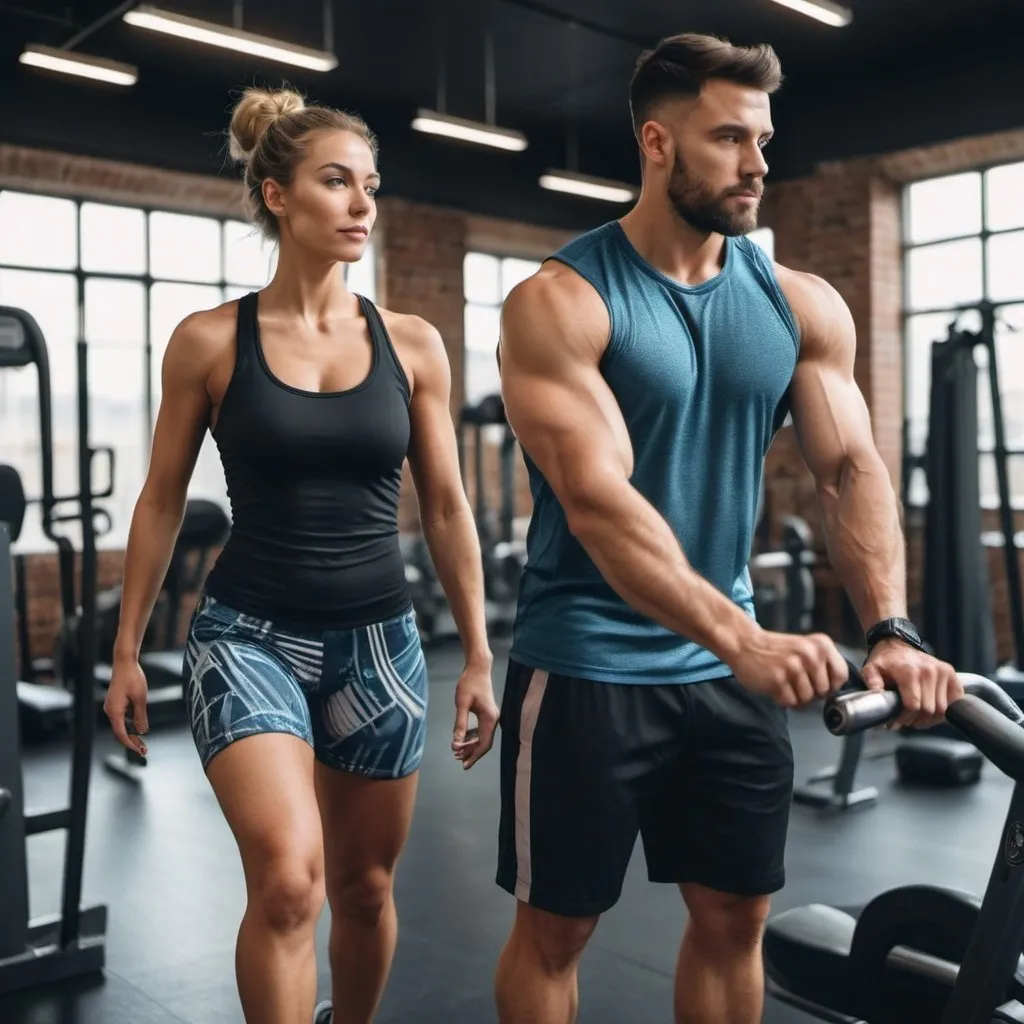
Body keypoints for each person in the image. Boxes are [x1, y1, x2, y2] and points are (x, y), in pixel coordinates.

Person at [493, 32, 963, 1024]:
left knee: (736, 916)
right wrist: (738, 637)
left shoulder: (798, 304)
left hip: (726, 674)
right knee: (555, 932)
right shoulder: (560, 302)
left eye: (763, 137)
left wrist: (890, 624)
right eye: (728, 139)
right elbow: (598, 499)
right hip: (586, 668)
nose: (757, 162)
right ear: (657, 142)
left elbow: (848, 466)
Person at [103, 87, 499, 1024]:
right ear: (277, 196)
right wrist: (124, 649)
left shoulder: (414, 345)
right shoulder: (209, 341)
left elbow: (445, 505)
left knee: (362, 889)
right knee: (288, 880)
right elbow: (160, 499)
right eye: (336, 182)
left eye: (371, 186)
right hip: (248, 638)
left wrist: (479, 652)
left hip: (379, 646)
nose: (363, 204)